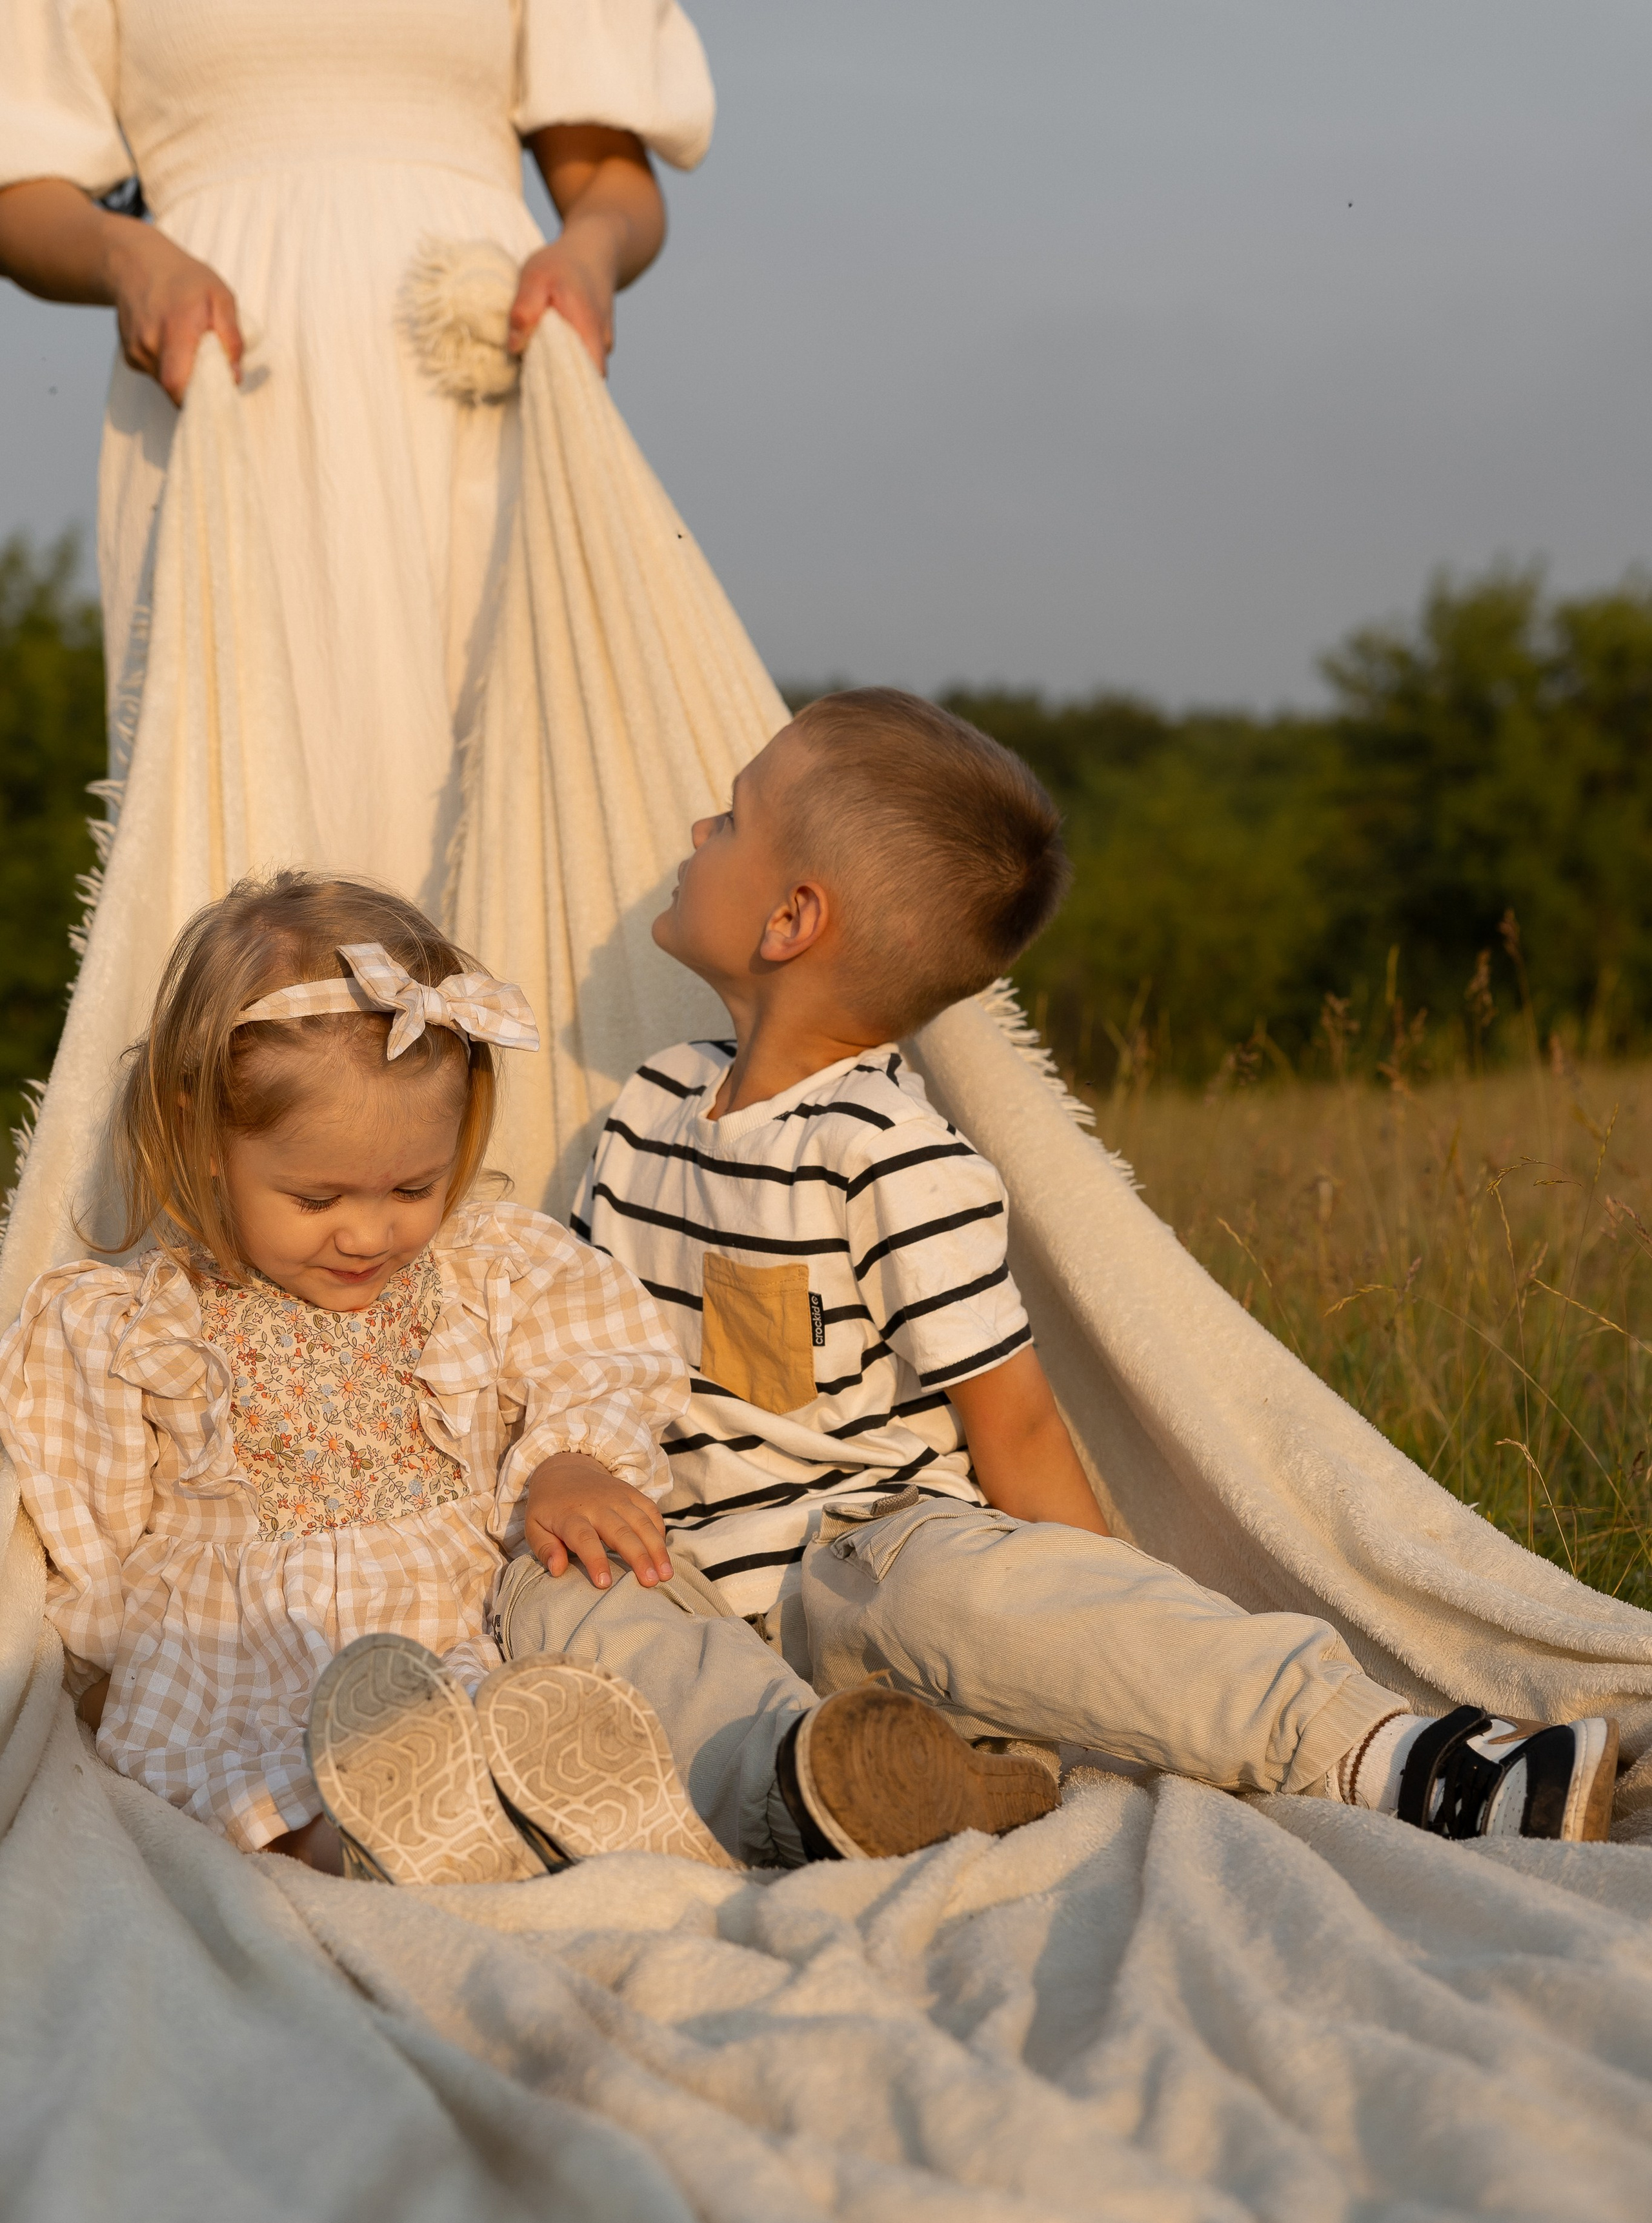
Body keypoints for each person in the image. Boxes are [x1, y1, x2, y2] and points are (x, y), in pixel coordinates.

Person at [569, 689, 1622, 1845]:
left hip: (862, 1559)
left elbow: (1014, 1431)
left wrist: (1108, 1616)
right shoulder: (649, 1111)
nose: (691, 838)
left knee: (964, 1589)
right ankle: (842, 1790)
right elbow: (564, 1340)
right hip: (702, 1600)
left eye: (726, 820)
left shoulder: (889, 1155)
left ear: (791, 919)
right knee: (571, 1598)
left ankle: (1401, 1758)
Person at [0, 870, 1057, 1884]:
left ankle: (573, 1805)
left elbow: (599, 1354)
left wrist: (570, 1463)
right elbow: (85, 1513)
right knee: (233, 1778)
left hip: (458, 1613)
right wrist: (117, 1620)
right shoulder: (131, 1320)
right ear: (200, 1133)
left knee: (550, 1680)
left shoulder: (484, 1263)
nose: (371, 1231)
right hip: (242, 1638)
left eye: (413, 1184)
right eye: (319, 1198)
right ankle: (363, 1845)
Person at [0, 0, 714, 900]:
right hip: (213, 382)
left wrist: (588, 250)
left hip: (475, 376)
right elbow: (20, 187)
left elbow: (610, 173)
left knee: (514, 802)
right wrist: (128, 256)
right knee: (245, 814)